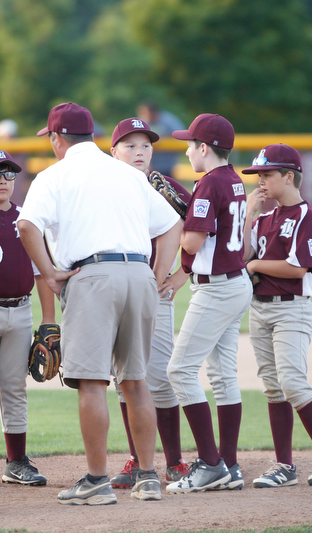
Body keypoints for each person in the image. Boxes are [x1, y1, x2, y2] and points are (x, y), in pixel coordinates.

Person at [17, 102, 183, 505]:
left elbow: (26, 225)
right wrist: (157, 276)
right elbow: (172, 224)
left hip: (92, 276)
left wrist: (50, 271)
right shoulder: (127, 173)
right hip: (139, 275)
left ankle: (96, 480)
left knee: (92, 382)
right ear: (92, 135)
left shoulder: (54, 175)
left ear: (57, 138)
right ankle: (147, 477)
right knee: (136, 380)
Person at [240, 143, 312, 488]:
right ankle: (284, 466)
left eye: (267, 174)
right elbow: (242, 255)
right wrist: (248, 218)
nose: (261, 181)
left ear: (289, 177)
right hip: (260, 308)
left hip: (291, 309)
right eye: (258, 175)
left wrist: (256, 265)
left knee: (292, 381)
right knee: (273, 388)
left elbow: (298, 268)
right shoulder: (266, 218)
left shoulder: (306, 216)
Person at [164, 113, 253, 494]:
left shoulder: (209, 184)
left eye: (190, 144)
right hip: (235, 283)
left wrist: (180, 209)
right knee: (222, 375)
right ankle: (229, 464)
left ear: (204, 148)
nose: (186, 149)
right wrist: (190, 205)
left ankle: (210, 463)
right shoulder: (233, 180)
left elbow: (192, 244)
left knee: (180, 371)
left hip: (217, 289)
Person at [0, 148, 57, 488]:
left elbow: (40, 272)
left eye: (9, 174)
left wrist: (48, 321)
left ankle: (16, 462)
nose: (3, 181)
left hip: (20, 311)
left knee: (15, 388)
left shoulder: (26, 219)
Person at [106, 117, 191, 489]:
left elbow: (204, 232)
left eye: (145, 145)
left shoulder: (165, 186)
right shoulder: (103, 187)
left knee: (157, 377)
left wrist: (179, 275)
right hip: (115, 291)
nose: (140, 152)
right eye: (130, 145)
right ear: (113, 152)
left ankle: (174, 461)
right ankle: (137, 460)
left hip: (155, 293)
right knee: (124, 378)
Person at [137, 100, 184, 177]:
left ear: (153, 113)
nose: (143, 116)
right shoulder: (142, 122)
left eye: (145, 113)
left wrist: (163, 140)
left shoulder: (168, 121)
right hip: (148, 165)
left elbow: (181, 137)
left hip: (167, 164)